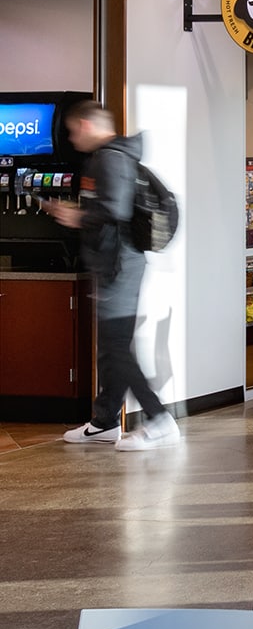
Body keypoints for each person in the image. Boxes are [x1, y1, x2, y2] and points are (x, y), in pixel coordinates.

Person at [45, 100, 179, 450]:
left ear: (87, 125)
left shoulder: (110, 158)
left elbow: (113, 209)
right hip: (114, 263)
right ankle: (104, 422)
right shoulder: (109, 157)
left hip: (120, 264)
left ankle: (159, 419)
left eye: (73, 131)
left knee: (116, 346)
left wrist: (77, 217)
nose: (72, 140)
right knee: (112, 347)